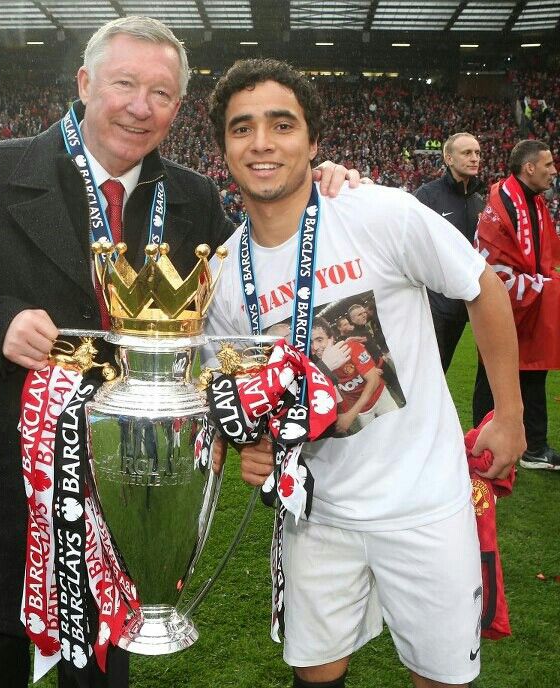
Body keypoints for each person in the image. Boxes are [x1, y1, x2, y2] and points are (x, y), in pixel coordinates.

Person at [0, 17, 356, 688]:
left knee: (103, 674)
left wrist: (320, 181)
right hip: (7, 490)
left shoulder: (190, 197)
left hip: (129, 491)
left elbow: (257, 282)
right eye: (124, 84)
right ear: (84, 83)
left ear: (177, 107)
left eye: (161, 93)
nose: (140, 107)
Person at [206, 58, 526, 688]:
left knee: (440, 677)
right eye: (242, 128)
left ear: (313, 142)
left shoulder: (377, 212)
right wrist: (253, 443)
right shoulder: (222, 274)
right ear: (224, 148)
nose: (262, 142)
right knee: (315, 674)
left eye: (282, 125)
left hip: (425, 503)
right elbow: (244, 392)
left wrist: (510, 414)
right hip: (315, 515)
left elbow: (481, 286)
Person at [473, 139, 560, 471]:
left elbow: (543, 254)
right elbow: (493, 266)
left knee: (534, 373)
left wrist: (541, 283)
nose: (553, 171)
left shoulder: (533, 202)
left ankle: (534, 447)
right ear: (529, 167)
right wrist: (543, 285)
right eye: (548, 164)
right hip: (505, 304)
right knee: (492, 375)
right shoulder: (502, 206)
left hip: (530, 302)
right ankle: (482, 446)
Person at [414, 133, 485, 373]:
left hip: (464, 305)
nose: (474, 158)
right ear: (448, 158)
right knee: (427, 374)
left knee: (442, 372)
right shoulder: (427, 195)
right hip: (433, 305)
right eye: (467, 153)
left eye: (477, 153)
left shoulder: (478, 201)